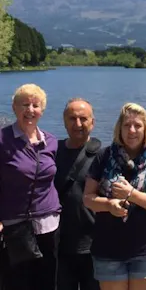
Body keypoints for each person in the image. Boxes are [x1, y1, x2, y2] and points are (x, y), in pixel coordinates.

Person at [83, 102, 146, 290]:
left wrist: (131, 194)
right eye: (127, 125)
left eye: (138, 125)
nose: (132, 130)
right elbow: (87, 198)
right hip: (108, 249)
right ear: (119, 128)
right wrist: (109, 205)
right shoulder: (104, 156)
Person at [0, 84, 60, 290]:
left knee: (47, 282)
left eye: (35, 105)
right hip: (14, 228)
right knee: (16, 283)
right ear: (15, 108)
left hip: (48, 225)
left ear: (42, 110)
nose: (30, 110)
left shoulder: (51, 141)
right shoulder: (2, 139)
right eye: (24, 104)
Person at [54, 98, 101, 290]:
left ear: (93, 122)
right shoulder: (51, 152)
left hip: (95, 247)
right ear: (64, 121)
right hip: (59, 247)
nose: (78, 124)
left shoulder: (104, 156)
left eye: (83, 118)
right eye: (72, 118)